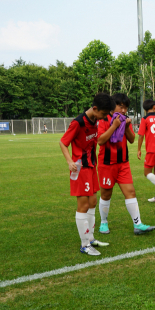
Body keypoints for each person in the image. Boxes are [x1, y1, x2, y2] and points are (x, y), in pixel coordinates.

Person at [59, 93, 112, 256]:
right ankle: (84, 244)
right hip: (80, 168)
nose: (104, 118)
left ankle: (90, 238)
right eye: (103, 114)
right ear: (95, 109)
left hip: (91, 166)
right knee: (82, 206)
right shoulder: (78, 122)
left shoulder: (95, 120)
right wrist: (69, 161)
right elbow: (63, 142)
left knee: (93, 202)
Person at [96, 93, 155, 236]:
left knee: (131, 192)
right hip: (107, 164)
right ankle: (103, 223)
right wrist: (114, 126)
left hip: (123, 163)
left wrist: (127, 126)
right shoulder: (104, 119)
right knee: (106, 195)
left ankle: (138, 224)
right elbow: (100, 140)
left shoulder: (123, 119)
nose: (123, 110)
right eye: (120, 107)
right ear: (113, 106)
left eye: (125, 107)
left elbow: (131, 140)